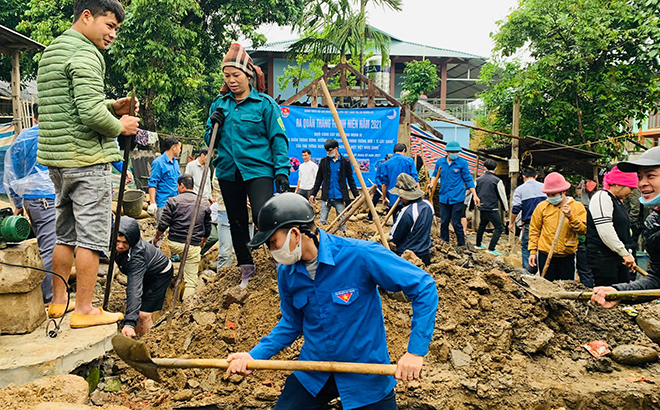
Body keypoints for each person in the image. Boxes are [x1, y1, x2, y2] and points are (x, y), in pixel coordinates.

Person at [225, 193, 438, 409]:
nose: (272, 251)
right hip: (315, 371)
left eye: (273, 242)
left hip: (366, 375)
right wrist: (254, 356)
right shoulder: (287, 273)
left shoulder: (359, 256)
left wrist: (415, 352)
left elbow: (424, 287)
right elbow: (291, 323)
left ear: (295, 234)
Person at [37, 0, 139, 327]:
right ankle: (85, 310)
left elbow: (73, 102)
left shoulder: (54, 50)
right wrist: (119, 125)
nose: (112, 35)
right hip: (86, 159)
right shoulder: (86, 54)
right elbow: (89, 113)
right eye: (109, 26)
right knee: (92, 236)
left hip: (57, 159)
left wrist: (112, 104)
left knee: (64, 232)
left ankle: (58, 301)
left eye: (116, 29)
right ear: (86, 16)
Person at [204, 43, 289, 287]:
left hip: (259, 170)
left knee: (264, 216)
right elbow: (209, 142)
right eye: (227, 76)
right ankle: (246, 266)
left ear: (248, 75)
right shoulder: (219, 105)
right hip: (229, 171)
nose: (231, 80)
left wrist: (281, 170)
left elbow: (278, 138)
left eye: (236, 75)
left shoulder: (265, 104)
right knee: (236, 221)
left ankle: (279, 260)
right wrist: (213, 124)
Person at [592, 147, 660, 308]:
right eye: (639, 177)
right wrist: (620, 292)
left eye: (650, 175)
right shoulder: (654, 224)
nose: (642, 183)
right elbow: (657, 279)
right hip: (603, 256)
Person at [4, 105, 55, 305]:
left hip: (31, 200)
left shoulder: (22, 139)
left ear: (34, 118)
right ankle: (49, 298)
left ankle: (52, 292)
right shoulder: (55, 137)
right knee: (50, 249)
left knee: (45, 245)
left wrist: (17, 203)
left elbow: (12, 173)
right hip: (49, 198)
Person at [153, 175, 211, 298]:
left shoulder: (173, 201)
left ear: (182, 186)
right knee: (191, 282)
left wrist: (157, 237)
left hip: (174, 243)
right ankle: (185, 309)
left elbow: (163, 224)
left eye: (178, 186)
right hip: (193, 245)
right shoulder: (204, 203)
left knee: (163, 256)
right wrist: (203, 241)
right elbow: (207, 228)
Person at [115, 217, 173, 339]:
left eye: (125, 243)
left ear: (132, 241)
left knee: (143, 315)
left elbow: (134, 288)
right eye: (118, 241)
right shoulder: (113, 241)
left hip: (160, 273)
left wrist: (129, 323)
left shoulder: (137, 256)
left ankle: (149, 345)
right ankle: (135, 339)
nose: (120, 246)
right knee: (137, 308)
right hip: (146, 271)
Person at [528, 172, 587, 281]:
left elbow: (582, 230)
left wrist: (570, 217)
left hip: (567, 255)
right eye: (548, 195)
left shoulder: (577, 207)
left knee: (567, 287)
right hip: (545, 254)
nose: (550, 197)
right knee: (546, 286)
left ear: (563, 192)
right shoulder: (542, 207)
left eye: (553, 195)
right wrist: (532, 251)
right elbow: (534, 230)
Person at [587, 167, 638, 287]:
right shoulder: (602, 197)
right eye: (630, 188)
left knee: (622, 292)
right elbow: (606, 231)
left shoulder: (619, 202)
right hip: (603, 257)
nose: (631, 192)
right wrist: (624, 253)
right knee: (607, 293)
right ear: (619, 184)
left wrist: (627, 253)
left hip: (618, 256)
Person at [428, 141, 480, 248]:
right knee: (444, 221)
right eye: (452, 151)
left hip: (457, 197)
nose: (454, 153)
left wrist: (475, 195)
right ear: (447, 152)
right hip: (444, 197)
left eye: (456, 152)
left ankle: (461, 244)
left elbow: (468, 180)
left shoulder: (462, 163)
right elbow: (434, 175)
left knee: (456, 222)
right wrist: (432, 183)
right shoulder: (440, 162)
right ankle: (444, 242)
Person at [309, 139, 360, 231]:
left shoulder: (345, 162)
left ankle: (342, 238)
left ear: (336, 148)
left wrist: (356, 195)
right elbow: (319, 179)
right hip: (326, 196)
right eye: (327, 151)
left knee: (342, 221)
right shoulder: (324, 161)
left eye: (330, 150)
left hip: (340, 197)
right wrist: (313, 193)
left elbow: (350, 180)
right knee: (322, 221)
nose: (328, 152)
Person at [389, 174, 434, 265]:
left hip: (409, 256)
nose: (400, 199)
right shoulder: (428, 205)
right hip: (425, 252)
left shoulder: (406, 212)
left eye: (401, 197)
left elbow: (395, 237)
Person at [509, 168, 546, 270]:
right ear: (536, 176)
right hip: (546, 222)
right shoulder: (544, 187)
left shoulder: (520, 189)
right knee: (544, 245)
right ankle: (543, 268)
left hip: (530, 222)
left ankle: (528, 269)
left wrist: (511, 222)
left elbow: (516, 208)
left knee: (527, 246)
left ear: (523, 177)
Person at [475, 159, 508, 256]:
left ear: (484, 168)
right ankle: (491, 248)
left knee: (482, 225)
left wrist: (471, 206)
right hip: (492, 208)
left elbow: (473, 193)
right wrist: (506, 208)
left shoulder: (478, 180)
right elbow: (502, 196)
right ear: (496, 168)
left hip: (482, 207)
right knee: (499, 228)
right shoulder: (497, 181)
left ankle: (478, 244)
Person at [148, 137, 181, 222]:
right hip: (164, 203)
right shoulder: (158, 163)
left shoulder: (175, 162)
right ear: (173, 148)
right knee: (162, 230)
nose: (180, 150)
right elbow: (152, 183)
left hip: (176, 202)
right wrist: (152, 202)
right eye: (179, 148)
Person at [379, 143, 419, 208]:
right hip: (408, 197)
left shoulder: (386, 164)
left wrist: (384, 198)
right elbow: (415, 180)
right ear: (404, 150)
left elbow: (384, 184)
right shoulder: (409, 161)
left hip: (393, 198)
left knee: (396, 217)